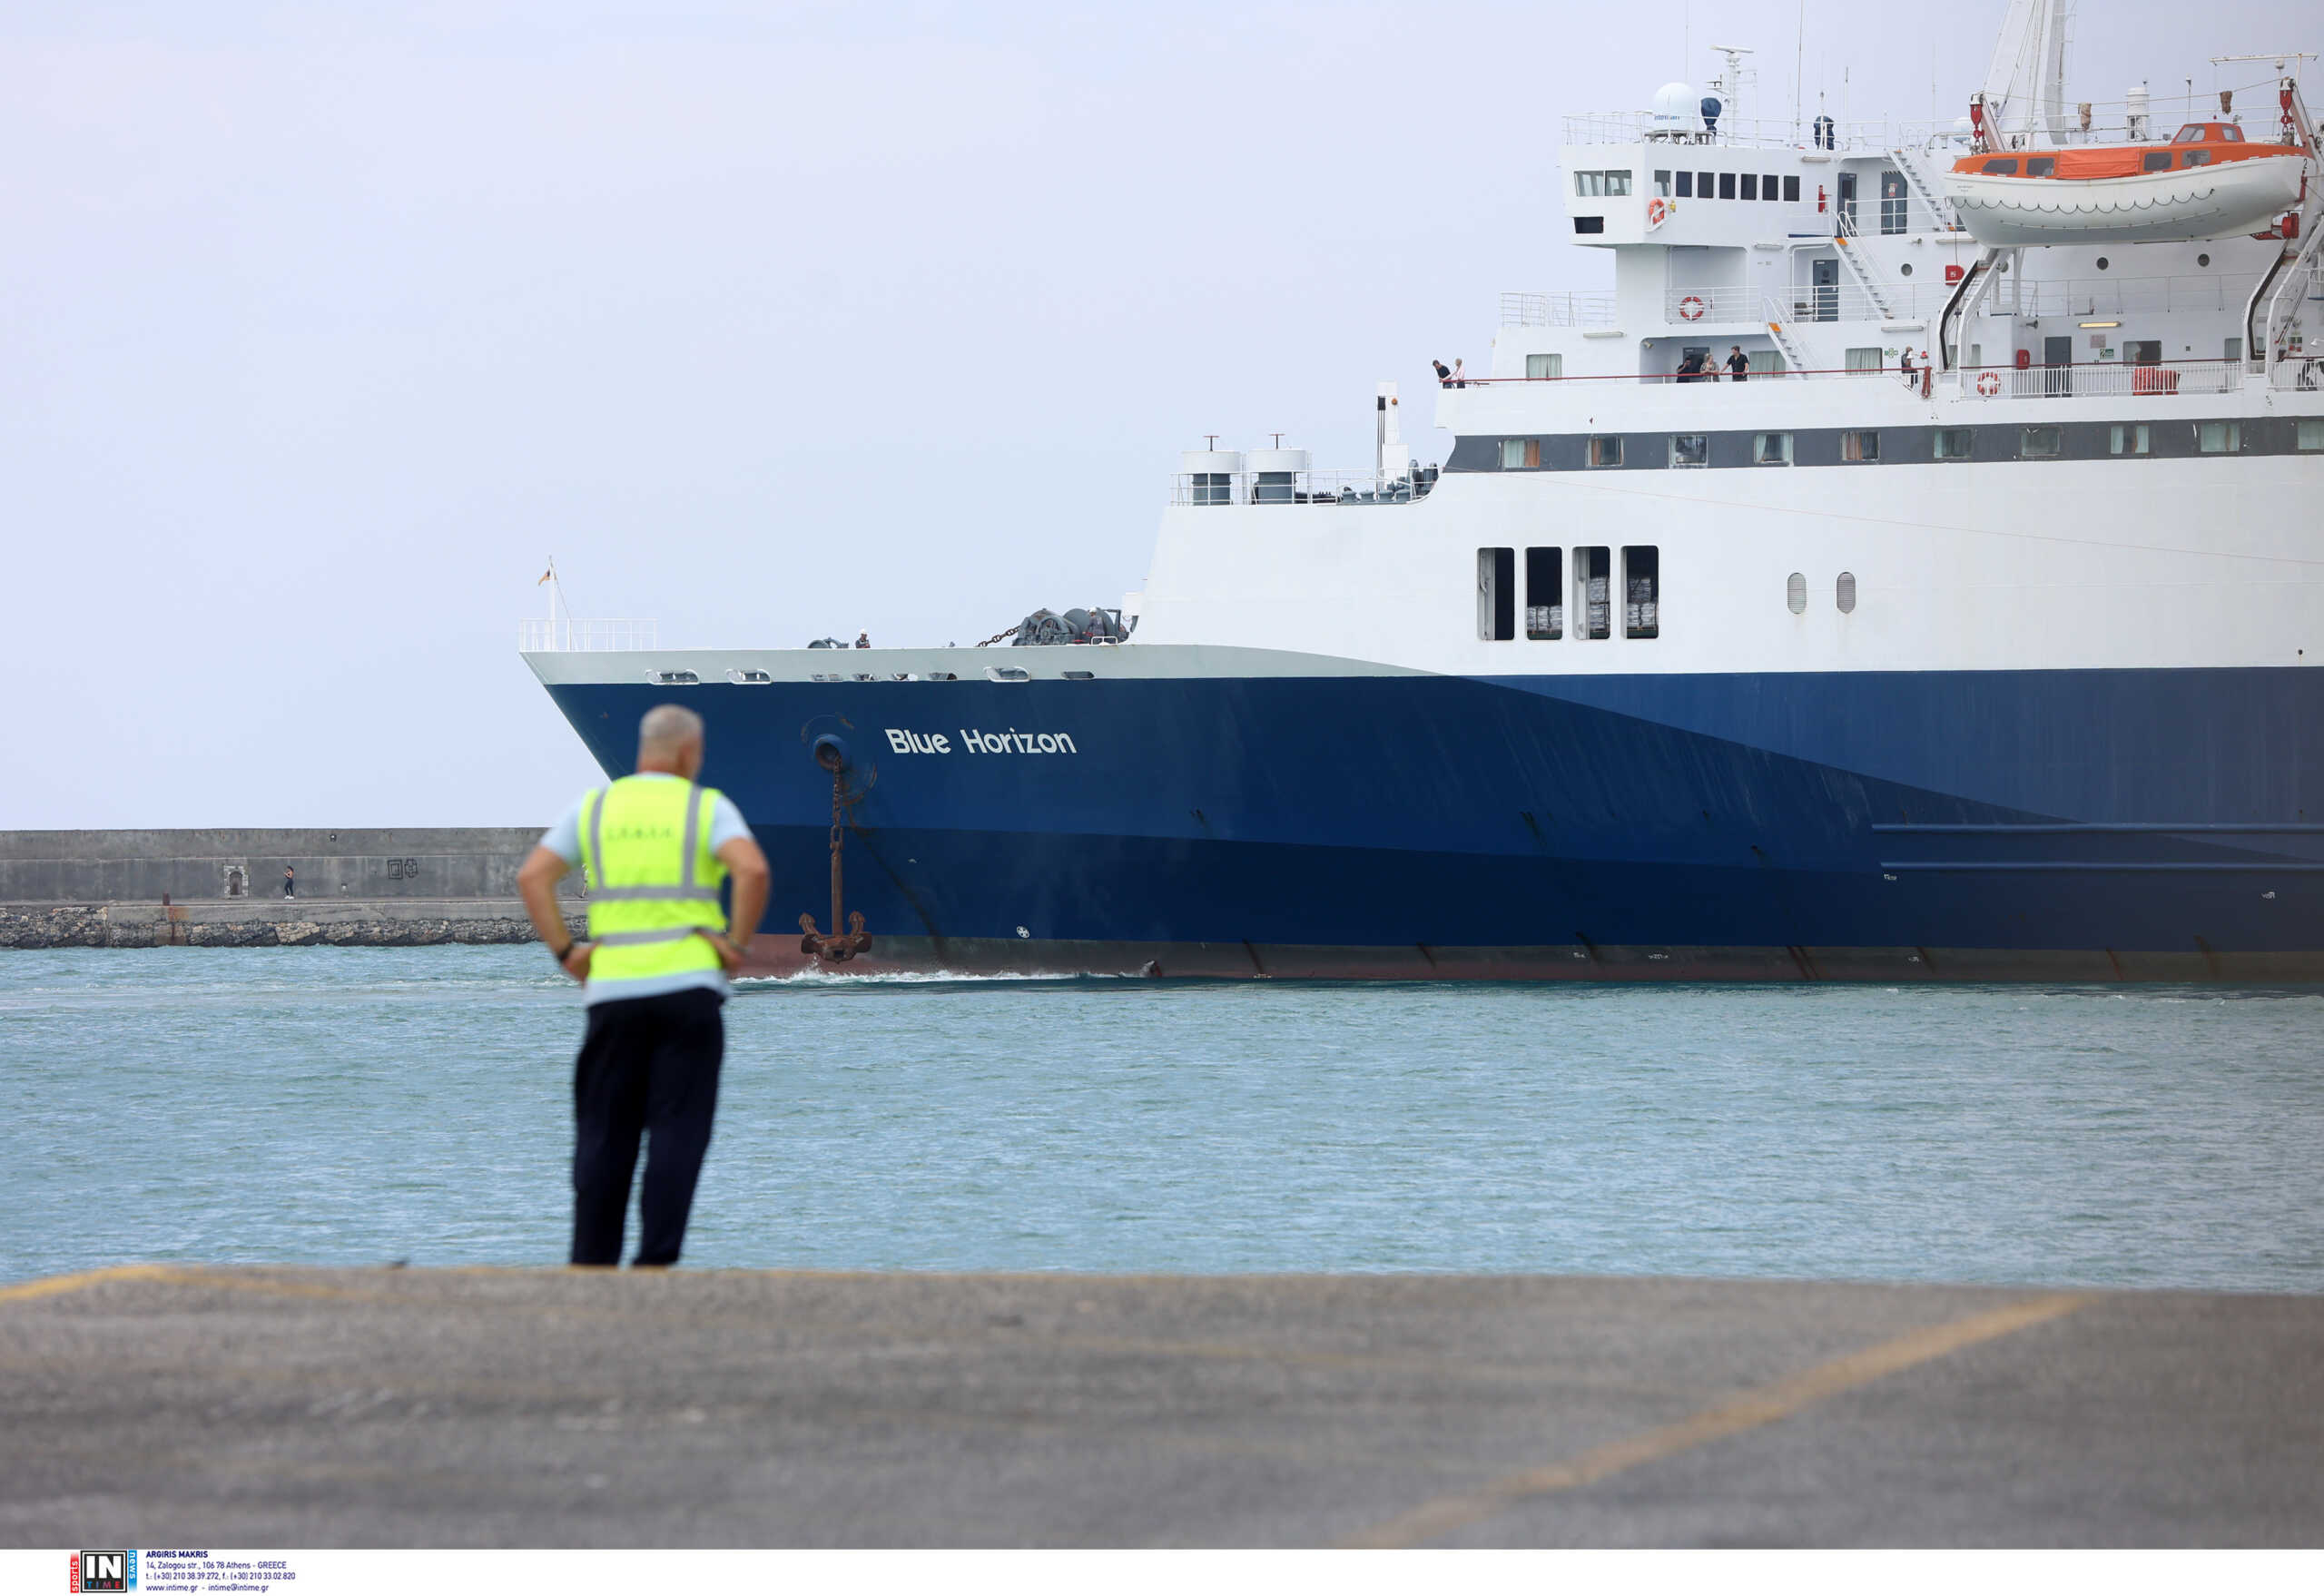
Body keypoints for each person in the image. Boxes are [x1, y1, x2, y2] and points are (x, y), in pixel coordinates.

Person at [517, 704, 773, 1270]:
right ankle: (655, 1263)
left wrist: (567, 953)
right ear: (688, 752)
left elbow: (533, 875)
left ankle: (592, 1263)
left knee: (606, 1133)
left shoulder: (597, 807)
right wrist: (735, 946)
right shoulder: (705, 807)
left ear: (643, 748)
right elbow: (752, 870)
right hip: (689, 994)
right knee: (678, 1134)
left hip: (613, 995)